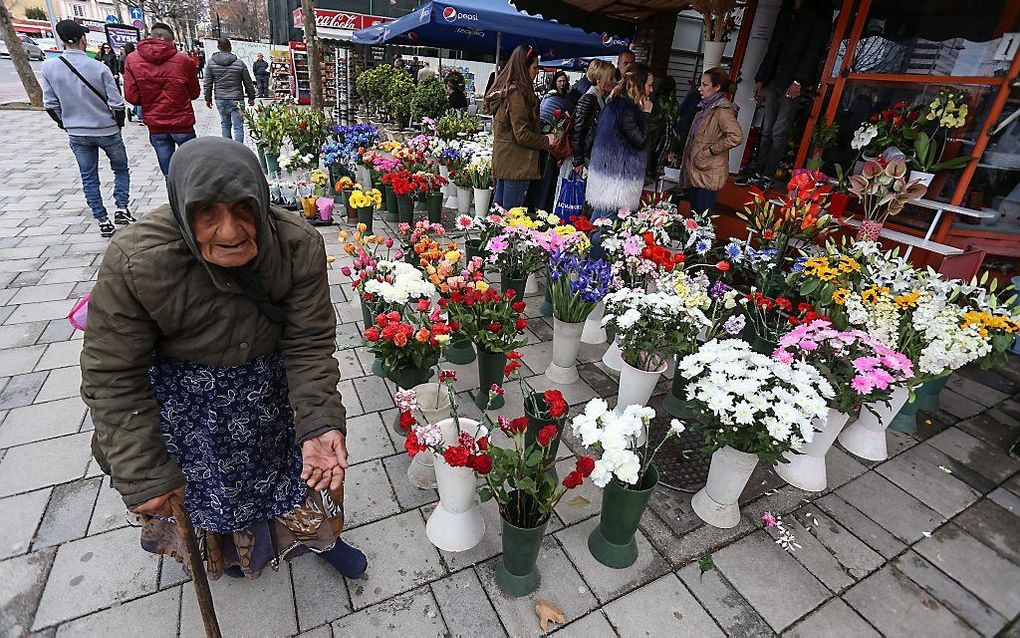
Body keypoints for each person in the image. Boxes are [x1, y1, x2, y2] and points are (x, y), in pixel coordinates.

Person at [80, 137, 368, 582]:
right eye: (208, 213)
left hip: (267, 389)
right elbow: (113, 375)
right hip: (189, 405)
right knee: (217, 491)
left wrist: (319, 421)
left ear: (261, 199)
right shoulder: (137, 261)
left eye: (243, 209)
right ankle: (233, 554)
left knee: (303, 472)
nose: (230, 231)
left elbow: (309, 341)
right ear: (182, 210)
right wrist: (145, 472)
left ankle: (320, 540)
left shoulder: (295, 244)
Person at [41, 20, 132, 238]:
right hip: (107, 130)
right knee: (120, 169)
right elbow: (117, 103)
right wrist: (117, 124)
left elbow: (50, 104)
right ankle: (121, 207)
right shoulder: (99, 67)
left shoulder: (49, 67)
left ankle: (103, 220)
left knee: (89, 177)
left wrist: (66, 123)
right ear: (83, 39)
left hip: (78, 132)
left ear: (62, 41)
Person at [740, 0, 833, 188]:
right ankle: (758, 171)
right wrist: (761, 78)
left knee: (779, 132)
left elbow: (813, 51)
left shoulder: (816, 16)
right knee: (766, 131)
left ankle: (767, 175)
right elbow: (773, 47)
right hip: (775, 77)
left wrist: (799, 80)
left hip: (792, 82)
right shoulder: (786, 12)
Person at [484, 45, 556, 210]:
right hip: (517, 165)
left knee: (498, 218)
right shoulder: (517, 94)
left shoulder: (508, 90)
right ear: (524, 67)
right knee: (510, 220)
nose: (537, 72)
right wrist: (547, 140)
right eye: (535, 67)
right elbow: (521, 134)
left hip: (506, 161)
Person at [124, 22, 200, 177]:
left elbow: (132, 96)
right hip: (182, 123)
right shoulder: (184, 60)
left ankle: (174, 198)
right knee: (194, 172)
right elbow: (194, 93)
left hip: (156, 124)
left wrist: (149, 98)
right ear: (171, 41)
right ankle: (193, 198)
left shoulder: (132, 60)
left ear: (150, 37)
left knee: (169, 174)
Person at [585, 63, 653, 231]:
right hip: (618, 180)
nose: (651, 90)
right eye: (649, 85)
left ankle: (584, 254)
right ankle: (592, 257)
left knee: (599, 221)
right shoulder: (627, 108)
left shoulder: (615, 103)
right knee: (606, 228)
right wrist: (646, 115)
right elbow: (640, 141)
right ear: (639, 84)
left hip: (607, 177)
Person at [679, 67, 743, 214]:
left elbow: (736, 136)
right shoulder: (705, 108)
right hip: (697, 171)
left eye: (705, 85)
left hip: (708, 173)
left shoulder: (722, 110)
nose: (700, 88)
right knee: (694, 219)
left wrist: (711, 151)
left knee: (701, 221)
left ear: (717, 87)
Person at [204, 38, 256, 143]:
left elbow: (207, 83)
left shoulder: (211, 63)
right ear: (231, 47)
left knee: (225, 125)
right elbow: (248, 82)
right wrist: (251, 97)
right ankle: (239, 151)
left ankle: (228, 151)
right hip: (236, 99)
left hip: (220, 98)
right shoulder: (239, 63)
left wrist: (207, 98)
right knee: (238, 127)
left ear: (218, 47)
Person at [570, 59, 615, 172]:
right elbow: (577, 131)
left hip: (591, 155)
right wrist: (578, 160)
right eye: (610, 78)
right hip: (586, 158)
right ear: (600, 80)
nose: (614, 80)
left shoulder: (600, 97)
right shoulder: (589, 99)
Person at [118, 42, 141, 122]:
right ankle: (138, 113)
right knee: (139, 95)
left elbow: (120, 69)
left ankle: (137, 111)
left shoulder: (123, 58)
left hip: (128, 78)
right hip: (138, 77)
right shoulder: (137, 57)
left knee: (133, 94)